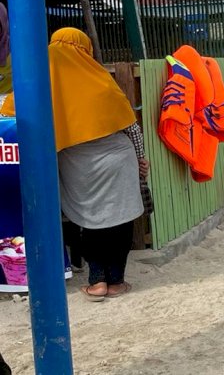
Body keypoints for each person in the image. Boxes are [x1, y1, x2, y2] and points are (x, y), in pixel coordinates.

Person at [1, 28, 148, 302]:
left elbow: (10, 116)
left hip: (75, 164)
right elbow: (131, 128)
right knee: (121, 218)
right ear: (84, 48)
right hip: (118, 159)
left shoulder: (39, 79)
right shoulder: (99, 78)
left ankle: (97, 281)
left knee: (89, 220)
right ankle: (116, 280)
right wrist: (141, 158)